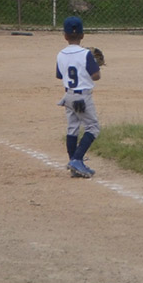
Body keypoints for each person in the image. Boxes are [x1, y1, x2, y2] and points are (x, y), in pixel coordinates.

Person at [56, 15, 102, 178]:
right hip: (82, 98)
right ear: (82, 35)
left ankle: (74, 163)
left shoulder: (60, 54)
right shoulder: (85, 54)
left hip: (68, 95)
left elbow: (60, 76)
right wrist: (96, 66)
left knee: (73, 128)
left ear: (65, 36)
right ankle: (76, 159)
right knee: (93, 127)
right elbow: (96, 76)